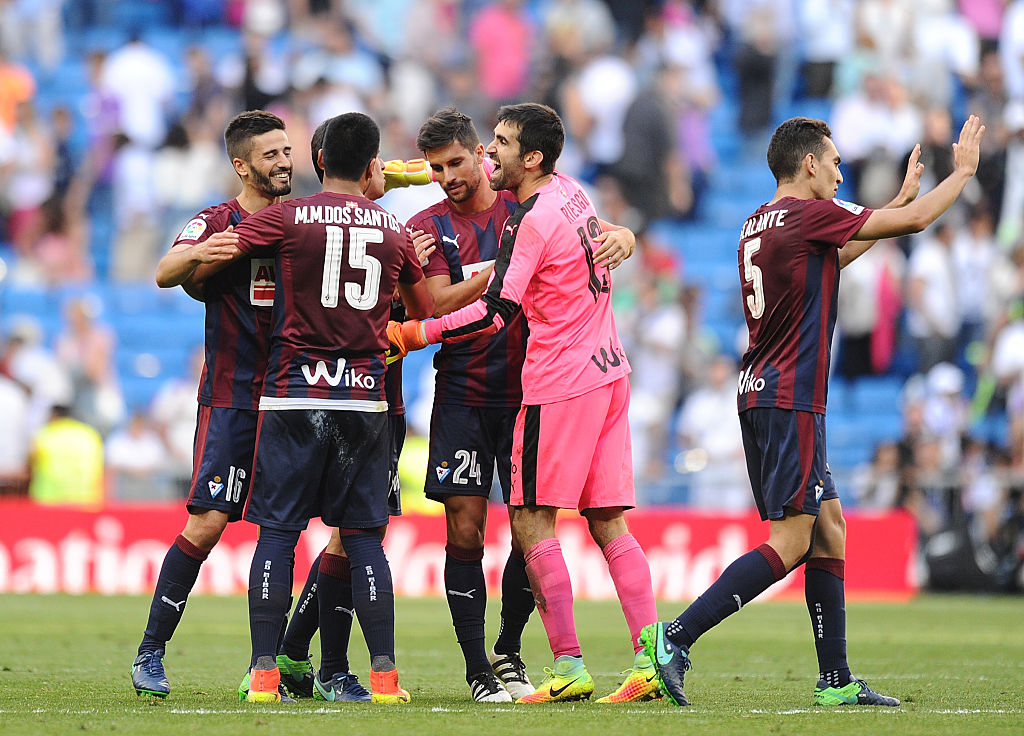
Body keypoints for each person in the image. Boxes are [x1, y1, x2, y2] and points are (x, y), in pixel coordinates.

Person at [638, 114, 985, 707]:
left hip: (765, 391)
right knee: (796, 538)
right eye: (835, 162)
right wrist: (964, 173)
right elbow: (921, 220)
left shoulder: (758, 222)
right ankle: (673, 638)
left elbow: (826, 266)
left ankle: (835, 680)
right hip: (789, 394)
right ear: (809, 165)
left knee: (830, 530)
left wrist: (889, 209)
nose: (840, 171)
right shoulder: (809, 215)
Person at [393, 103, 656, 704]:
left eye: (502, 144)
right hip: (609, 369)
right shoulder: (573, 192)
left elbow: (496, 311)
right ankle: (650, 654)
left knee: (530, 520)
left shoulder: (530, 217)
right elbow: (597, 243)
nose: (492, 153)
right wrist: (626, 234)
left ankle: (564, 662)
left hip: (554, 383)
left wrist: (413, 335)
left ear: (531, 157)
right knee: (608, 520)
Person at [207, 111, 433, 704]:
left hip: (292, 394)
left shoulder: (286, 217)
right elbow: (420, 307)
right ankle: (384, 677)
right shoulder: (393, 230)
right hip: (364, 399)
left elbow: (216, 257)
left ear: (316, 161)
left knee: (278, 535)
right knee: (362, 539)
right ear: (369, 165)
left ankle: (263, 676)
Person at [130, 110, 294, 700]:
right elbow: (165, 270)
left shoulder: (303, 220)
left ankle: (271, 665)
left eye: (285, 151)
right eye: (270, 155)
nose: (283, 162)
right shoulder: (219, 220)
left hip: (296, 396)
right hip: (232, 397)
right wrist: (207, 253)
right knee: (209, 522)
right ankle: (151, 650)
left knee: (286, 530)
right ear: (241, 165)